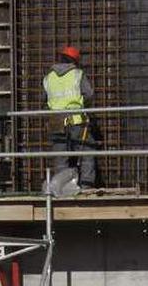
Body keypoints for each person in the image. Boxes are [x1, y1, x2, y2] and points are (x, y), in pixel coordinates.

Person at [43, 45, 96, 190]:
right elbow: (89, 94)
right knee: (86, 152)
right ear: (75, 61)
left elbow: (45, 100)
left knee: (61, 157)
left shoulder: (49, 77)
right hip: (76, 120)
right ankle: (86, 186)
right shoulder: (78, 74)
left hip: (55, 121)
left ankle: (61, 188)